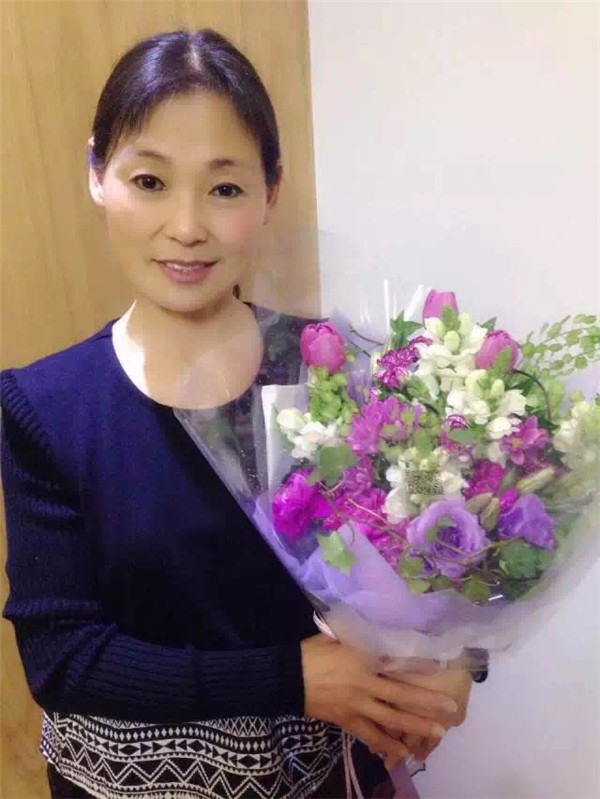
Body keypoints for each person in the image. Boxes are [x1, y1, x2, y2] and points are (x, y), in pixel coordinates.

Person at [0, 29, 475, 799]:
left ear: (271, 189)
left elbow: (440, 558)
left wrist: (458, 661)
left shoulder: (333, 369)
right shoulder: (48, 407)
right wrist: (292, 679)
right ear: (96, 173)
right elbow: (64, 658)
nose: (187, 225)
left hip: (325, 780)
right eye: (150, 181)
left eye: (224, 188)